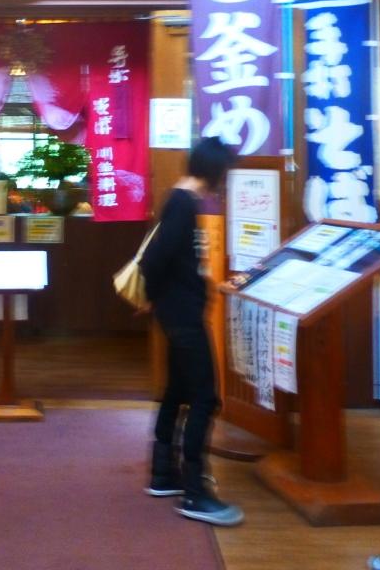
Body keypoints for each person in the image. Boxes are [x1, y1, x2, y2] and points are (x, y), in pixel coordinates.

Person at [139, 137, 244, 527]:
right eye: (224, 173)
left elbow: (168, 260)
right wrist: (152, 297)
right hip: (183, 316)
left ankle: (163, 474)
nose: (224, 181)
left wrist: (162, 297)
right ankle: (195, 492)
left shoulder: (179, 199)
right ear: (215, 172)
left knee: (177, 390)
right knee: (205, 397)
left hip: (175, 312)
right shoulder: (184, 203)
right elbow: (154, 260)